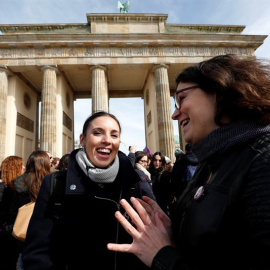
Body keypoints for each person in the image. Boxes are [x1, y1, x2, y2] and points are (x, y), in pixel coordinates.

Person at [107, 54, 270, 269]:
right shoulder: (209, 163)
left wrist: (162, 256)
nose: (174, 114)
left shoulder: (264, 159)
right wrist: (175, 233)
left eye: (181, 99)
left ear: (219, 91)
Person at [22, 111, 150, 270]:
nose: (107, 140)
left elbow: (151, 242)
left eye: (114, 135)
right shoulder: (56, 183)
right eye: (97, 133)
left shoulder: (135, 182)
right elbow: (38, 252)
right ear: (82, 139)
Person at [10, 150, 51, 270]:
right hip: (46, 234)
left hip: (24, 233)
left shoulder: (19, 182)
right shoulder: (52, 181)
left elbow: (12, 210)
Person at [0, 156, 25, 270]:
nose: (24, 168)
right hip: (11, 232)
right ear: (15, 168)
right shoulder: (16, 189)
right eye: (21, 165)